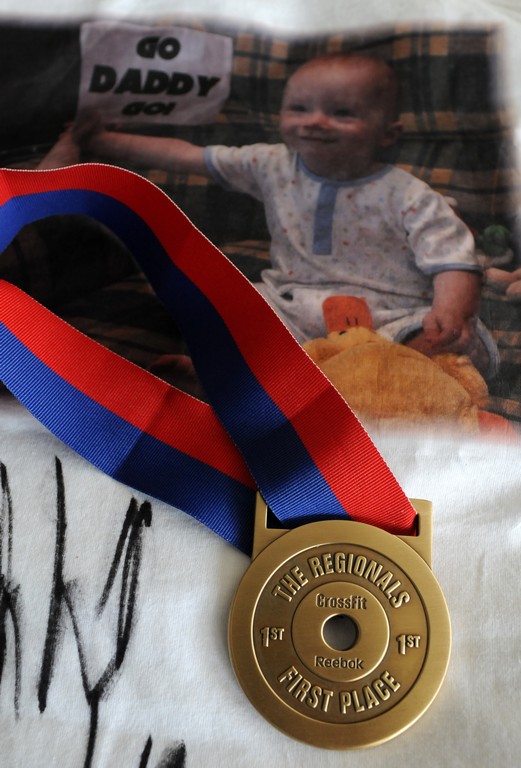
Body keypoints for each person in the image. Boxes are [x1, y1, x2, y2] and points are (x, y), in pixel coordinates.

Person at [68, 53, 497, 376]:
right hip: (293, 301)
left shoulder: (411, 195)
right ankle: (226, 373)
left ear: (388, 133)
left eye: (342, 113)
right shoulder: (270, 164)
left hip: (390, 311)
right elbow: (187, 156)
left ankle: (353, 381)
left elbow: (453, 261)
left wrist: (450, 311)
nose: (316, 122)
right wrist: (104, 142)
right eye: (299, 109)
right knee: (226, 307)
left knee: (436, 341)